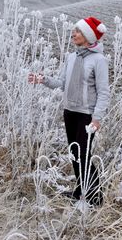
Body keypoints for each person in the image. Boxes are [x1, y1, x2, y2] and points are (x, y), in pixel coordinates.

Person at [28, 16, 110, 205]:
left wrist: (96, 118)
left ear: (88, 36)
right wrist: (43, 80)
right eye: (74, 30)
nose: (73, 34)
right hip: (70, 111)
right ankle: (81, 191)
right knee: (74, 152)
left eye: (78, 31)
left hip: (87, 115)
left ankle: (95, 198)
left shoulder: (99, 60)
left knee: (83, 154)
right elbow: (62, 83)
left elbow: (104, 92)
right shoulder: (71, 57)